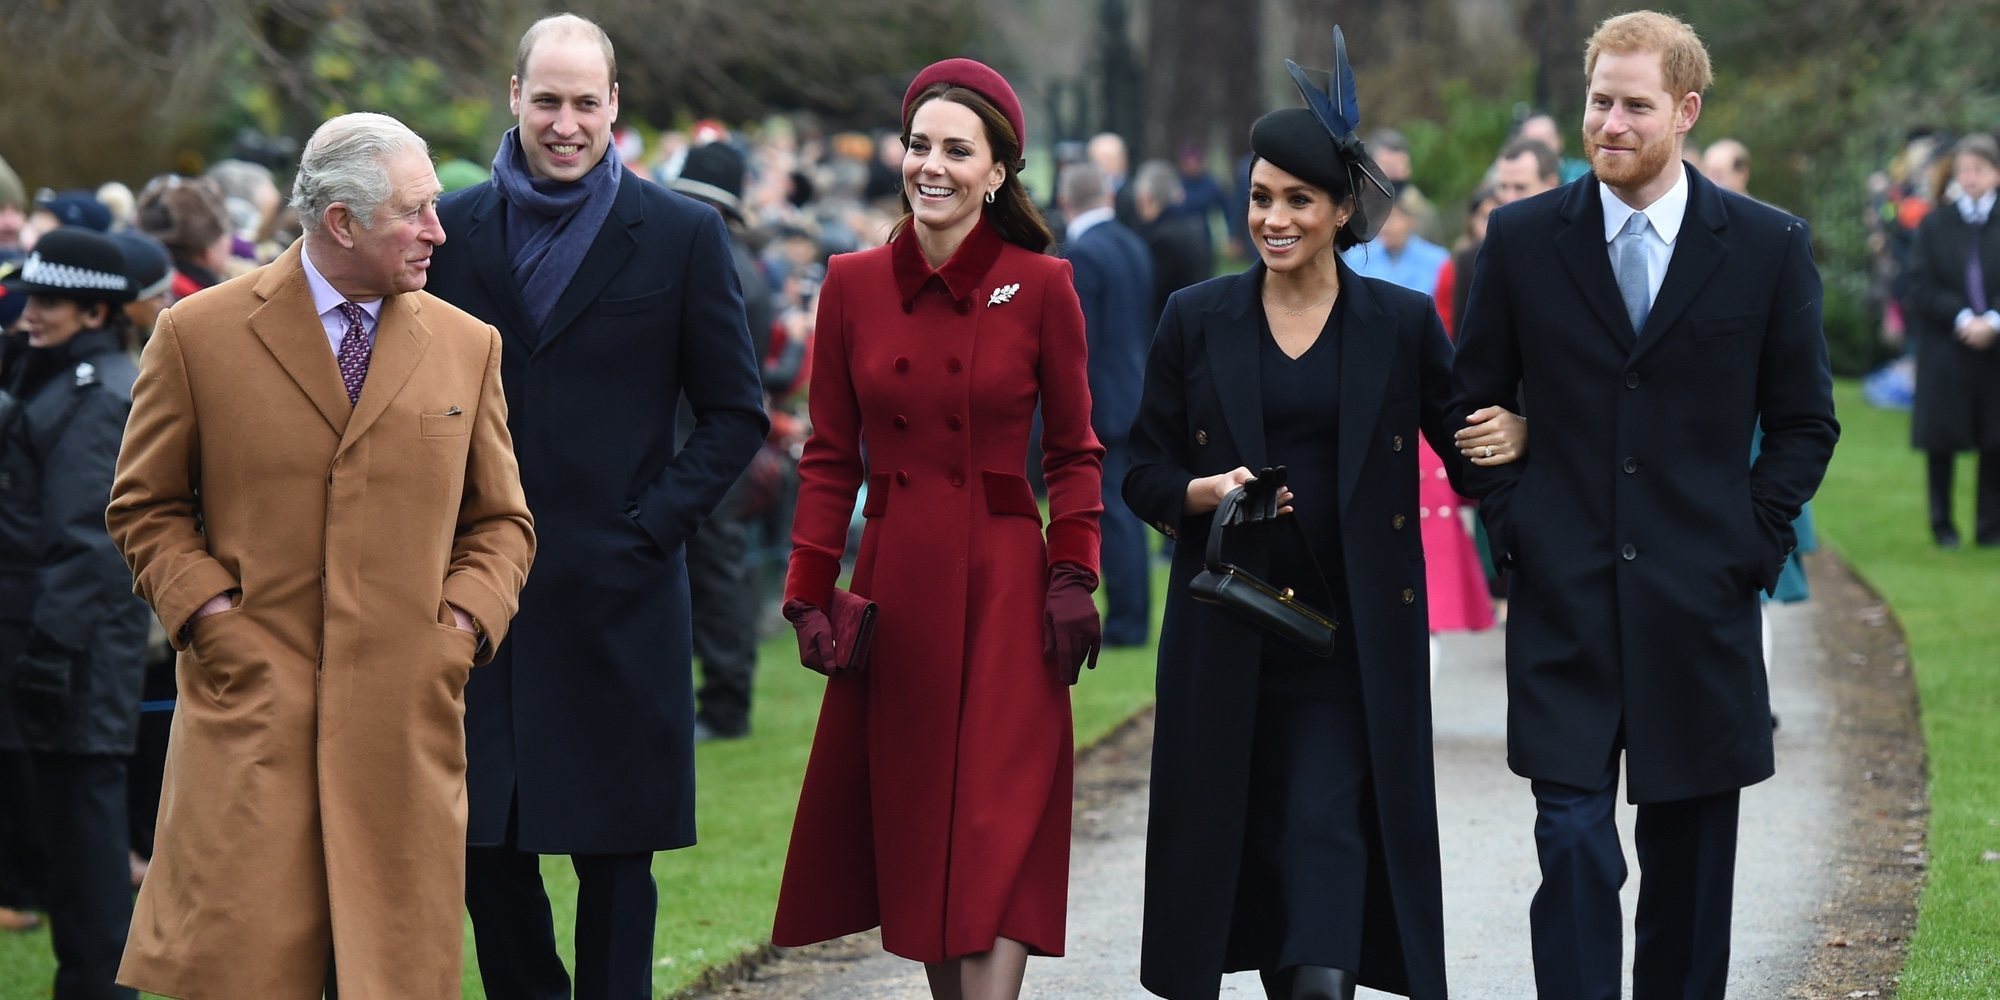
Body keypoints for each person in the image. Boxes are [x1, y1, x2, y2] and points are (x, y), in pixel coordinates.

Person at [1125, 31, 1526, 1000]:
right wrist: (1203, 492)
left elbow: (1466, 448)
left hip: (1349, 650)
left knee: (1324, 871)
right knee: (1247, 861)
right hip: (1228, 635)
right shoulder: (1194, 316)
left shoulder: (1395, 325)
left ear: (1342, 208)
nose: (1272, 217)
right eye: (1260, 197)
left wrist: (1514, 432)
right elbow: (1138, 465)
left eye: (1296, 199)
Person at [1449, 12, 1839, 998]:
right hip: (1563, 601)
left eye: (1632, 104)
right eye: (1596, 101)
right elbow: (1467, 401)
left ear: (1684, 111)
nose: (1608, 122)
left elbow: (1802, 422)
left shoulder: (1763, 246)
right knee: (1572, 842)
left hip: (1698, 606)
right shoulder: (1525, 238)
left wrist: (1747, 543)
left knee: (1690, 869)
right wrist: (1513, 519)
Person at [108, 111, 536, 999]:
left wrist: (456, 630)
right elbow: (144, 506)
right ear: (341, 221)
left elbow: (501, 523)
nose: (438, 230)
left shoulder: (467, 344)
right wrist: (214, 622)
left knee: (391, 976)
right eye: (415, 211)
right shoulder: (197, 335)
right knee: (245, 972)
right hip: (250, 723)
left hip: (401, 729)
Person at [424, 14, 767, 999]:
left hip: (619, 595)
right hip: (478, 599)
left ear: (614, 106)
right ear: (515, 100)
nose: (564, 123)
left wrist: (648, 527)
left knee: (617, 864)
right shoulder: (451, 231)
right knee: (486, 848)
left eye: (584, 102)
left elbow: (734, 413)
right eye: (547, 100)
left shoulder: (679, 233)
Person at [772, 57, 1104, 1000]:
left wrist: (1073, 573)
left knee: (998, 822)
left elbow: (1075, 452)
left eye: (958, 150)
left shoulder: (1044, 286)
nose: (933, 166)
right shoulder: (852, 283)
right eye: (920, 145)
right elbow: (830, 456)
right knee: (924, 833)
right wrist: (805, 591)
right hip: (899, 583)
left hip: (1009, 585)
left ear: (998, 172)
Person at [0, 228, 148, 1000]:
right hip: (50, 643)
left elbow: (91, 541)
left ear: (95, 311)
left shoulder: (100, 396)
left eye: (50, 299)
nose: (31, 312)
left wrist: (50, 653)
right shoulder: (56, 377)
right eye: (30, 294)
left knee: (87, 846)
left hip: (76, 653)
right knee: (63, 838)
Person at [668, 140, 778, 740]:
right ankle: (718, 700)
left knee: (716, 573)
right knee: (716, 573)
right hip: (715, 443)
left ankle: (726, 705)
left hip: (700, 443)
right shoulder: (742, 265)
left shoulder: (716, 264)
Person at [1060, 161, 1155, 647]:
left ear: (1065, 202)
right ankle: (1131, 616)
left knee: (1111, 512)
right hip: (1134, 391)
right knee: (1125, 511)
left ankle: (1126, 622)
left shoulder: (1082, 255)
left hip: (1100, 400)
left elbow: (1079, 341)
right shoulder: (1132, 245)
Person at [1903, 133, 2000, 548]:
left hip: (1995, 349)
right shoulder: (1935, 223)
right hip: (1946, 345)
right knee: (1941, 440)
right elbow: (1919, 284)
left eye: (1978, 170)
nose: (1970, 178)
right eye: (1963, 171)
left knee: (1995, 440)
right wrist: (1961, 316)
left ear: (1995, 174)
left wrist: (1993, 319)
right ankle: (1942, 525)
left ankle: (1990, 527)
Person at [1134, 159, 1217, 325]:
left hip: (1171, 327)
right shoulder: (1195, 225)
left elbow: (1151, 293)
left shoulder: (1160, 239)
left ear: (1145, 198)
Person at [1343, 186, 1449, 294]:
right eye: (1380, 217)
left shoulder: (1437, 260)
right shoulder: (1357, 258)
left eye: (1391, 217)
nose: (1384, 226)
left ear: (1411, 220)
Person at [1518, 111, 1592, 184]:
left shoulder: (1584, 175)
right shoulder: (1514, 179)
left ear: (1560, 141)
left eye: (1546, 139)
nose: (1541, 148)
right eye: (1534, 143)